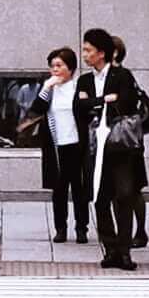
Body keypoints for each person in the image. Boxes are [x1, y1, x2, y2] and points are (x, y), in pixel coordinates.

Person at [76, 29, 149, 271]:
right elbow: (80, 108)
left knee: (124, 196)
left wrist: (97, 102)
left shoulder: (122, 75)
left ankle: (124, 252)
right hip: (95, 148)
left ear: (101, 53)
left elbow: (125, 102)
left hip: (121, 147)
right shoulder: (84, 80)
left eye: (88, 50)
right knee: (100, 198)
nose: (85, 55)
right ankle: (110, 248)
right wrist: (104, 100)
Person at [34, 47, 89, 248]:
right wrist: (47, 87)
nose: (55, 70)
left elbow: (86, 112)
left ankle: (82, 228)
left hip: (76, 145)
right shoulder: (49, 90)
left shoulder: (79, 87)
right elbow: (35, 109)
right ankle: (60, 228)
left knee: (79, 189)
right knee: (59, 189)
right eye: (52, 66)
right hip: (57, 147)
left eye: (59, 65)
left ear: (71, 68)